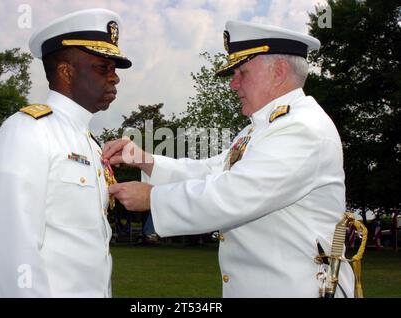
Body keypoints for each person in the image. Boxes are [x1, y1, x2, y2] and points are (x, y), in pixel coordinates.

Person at [103, 21, 355, 297]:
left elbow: (235, 193)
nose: (233, 84)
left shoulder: (303, 128)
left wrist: (153, 198)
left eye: (242, 72)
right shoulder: (258, 130)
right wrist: (145, 160)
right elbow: (212, 172)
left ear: (279, 72)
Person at [0, 8, 132, 297]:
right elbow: (13, 248)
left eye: (114, 69)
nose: (115, 79)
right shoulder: (28, 131)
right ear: (66, 71)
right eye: (103, 67)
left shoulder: (89, 141)